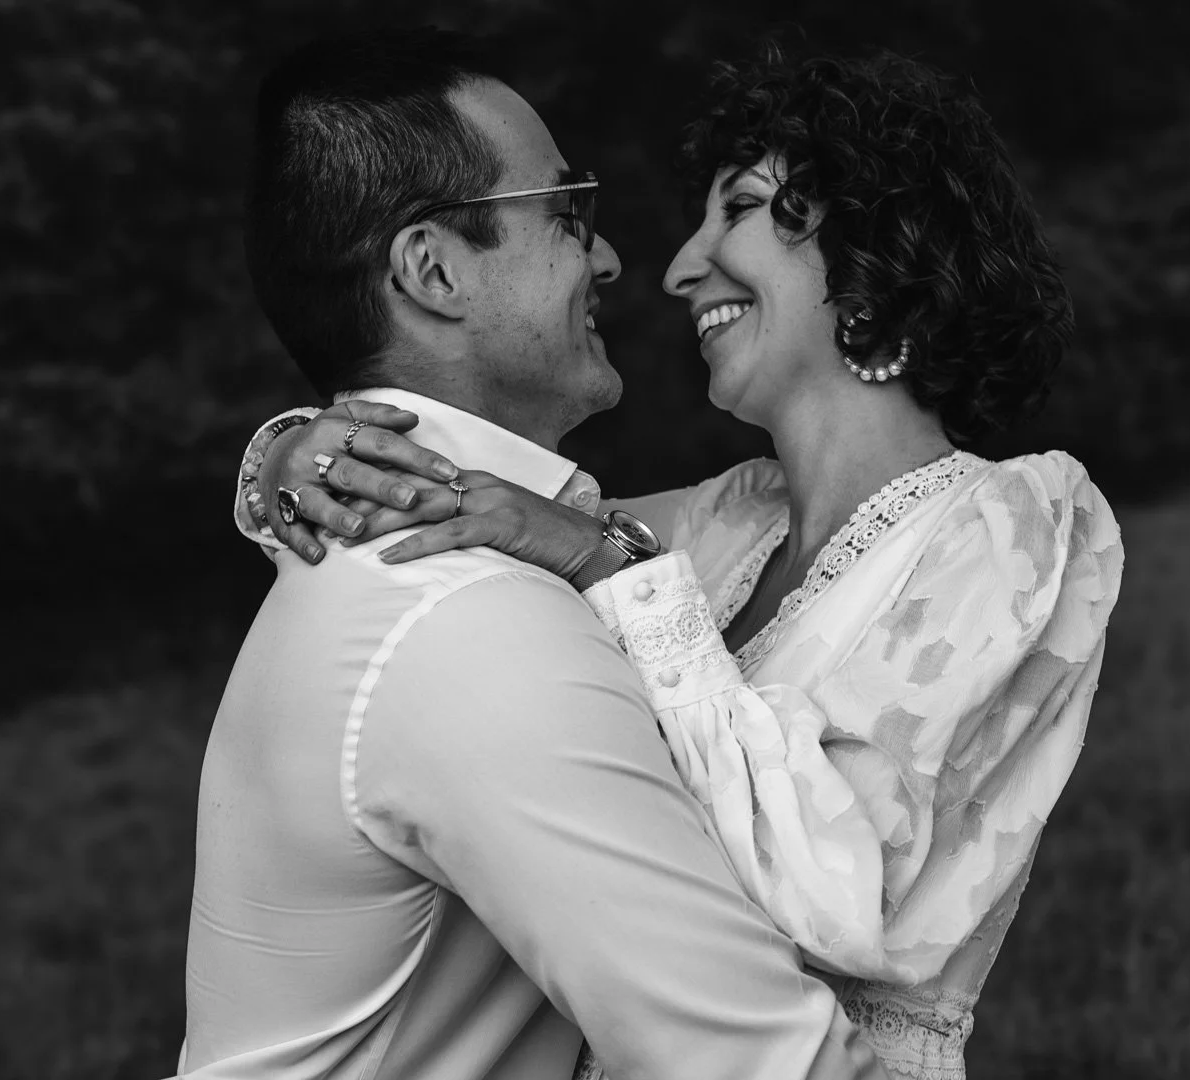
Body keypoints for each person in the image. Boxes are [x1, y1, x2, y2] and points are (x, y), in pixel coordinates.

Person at [239, 43, 1126, 1080]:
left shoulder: (1012, 525)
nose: (674, 267)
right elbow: (479, 513)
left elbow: (829, 895)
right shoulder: (722, 525)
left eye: (739, 209)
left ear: (882, 242)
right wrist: (292, 452)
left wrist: (607, 568)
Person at [179, 27, 888, 1080]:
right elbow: (760, 1064)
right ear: (432, 270)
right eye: (566, 213)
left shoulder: (413, 553)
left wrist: (283, 451)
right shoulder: (467, 618)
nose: (609, 259)